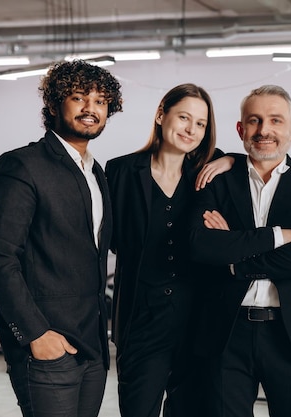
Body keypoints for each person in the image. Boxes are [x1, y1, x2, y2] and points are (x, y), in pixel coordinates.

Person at [0, 60, 123, 417]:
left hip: (92, 344)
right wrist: (35, 335)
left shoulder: (96, 172)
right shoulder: (24, 165)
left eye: (101, 101)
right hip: (46, 342)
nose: (91, 109)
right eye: (79, 97)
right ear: (54, 104)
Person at [188, 84, 291, 417]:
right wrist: (279, 237)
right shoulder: (215, 182)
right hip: (226, 332)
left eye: (275, 120)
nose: (264, 130)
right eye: (253, 121)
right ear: (240, 130)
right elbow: (201, 246)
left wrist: (236, 256)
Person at [105, 83, 228, 417]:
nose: (191, 129)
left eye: (201, 123)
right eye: (184, 117)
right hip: (141, 319)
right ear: (161, 115)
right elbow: (106, 240)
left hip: (197, 321)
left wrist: (229, 159)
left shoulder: (211, 171)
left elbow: (254, 160)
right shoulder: (120, 171)